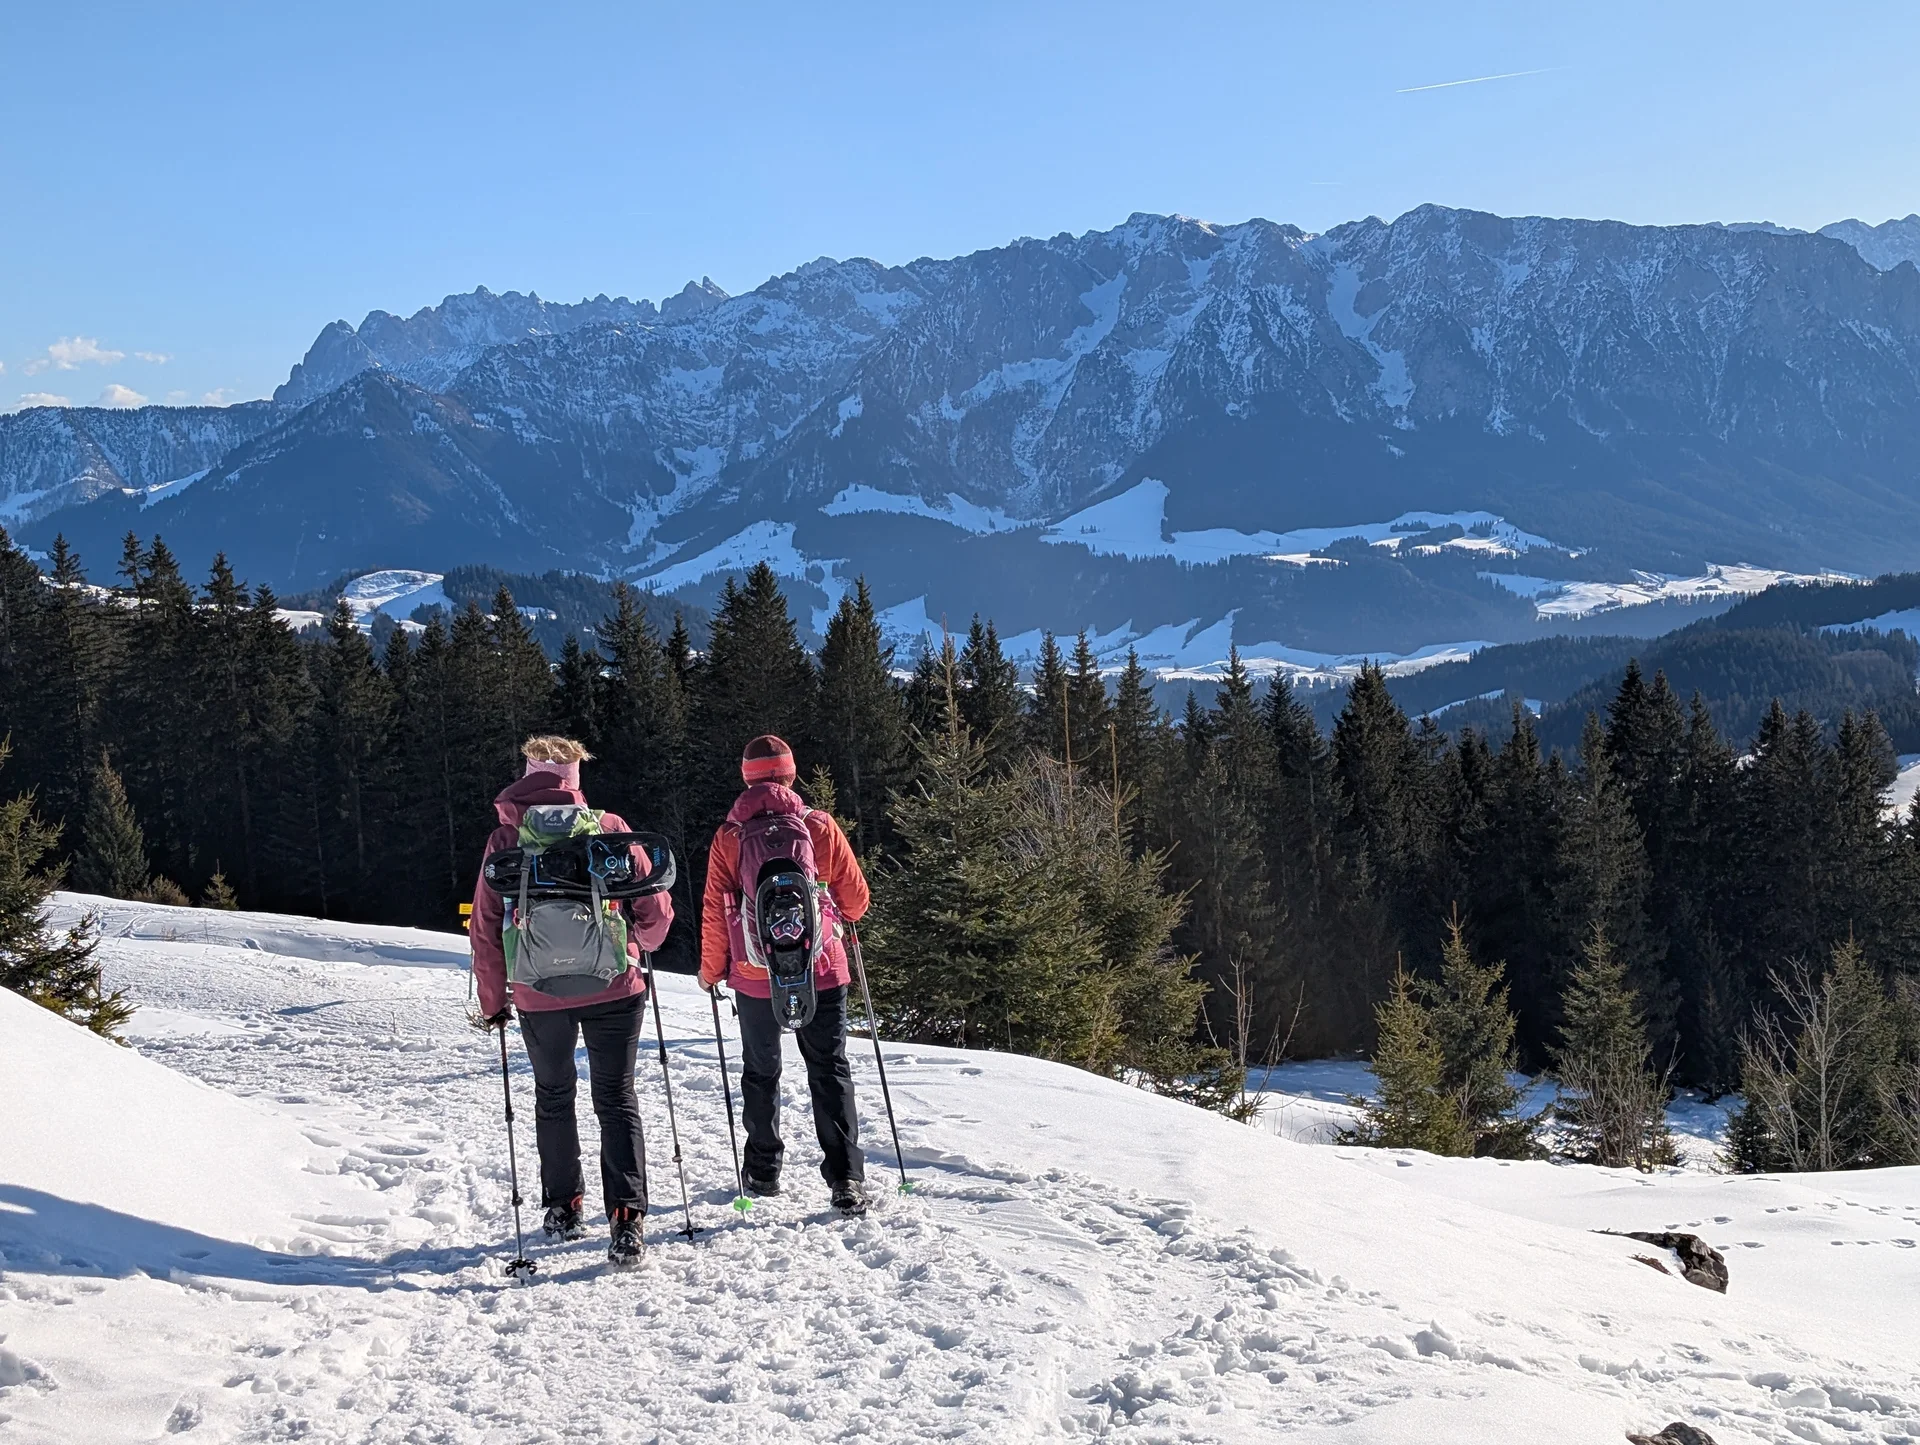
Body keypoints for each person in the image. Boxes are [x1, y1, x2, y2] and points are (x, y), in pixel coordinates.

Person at [471, 736, 673, 1267]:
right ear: (575, 777)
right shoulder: (608, 828)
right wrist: (639, 944)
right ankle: (626, 1218)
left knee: (554, 1096)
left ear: (527, 775)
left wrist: (494, 1000)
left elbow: (486, 926)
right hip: (614, 984)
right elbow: (654, 910)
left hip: (537, 991)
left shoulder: (506, 838)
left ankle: (564, 1207)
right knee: (616, 1097)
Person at [700, 734, 873, 1215]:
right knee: (829, 1067)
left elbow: (715, 909)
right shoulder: (818, 825)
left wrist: (712, 970)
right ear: (791, 774)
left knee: (761, 1070)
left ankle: (763, 1170)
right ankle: (846, 1178)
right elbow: (856, 902)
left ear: (746, 778)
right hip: (821, 967)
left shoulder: (730, 836)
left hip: (756, 973)